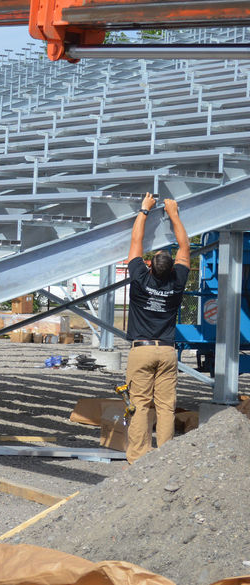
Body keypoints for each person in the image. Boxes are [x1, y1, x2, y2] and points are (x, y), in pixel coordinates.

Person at [124, 192, 190, 463]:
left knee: (139, 404)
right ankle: (164, 458)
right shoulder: (177, 282)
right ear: (172, 268)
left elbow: (136, 241)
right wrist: (174, 213)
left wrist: (144, 210)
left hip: (141, 349)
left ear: (149, 266)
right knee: (165, 406)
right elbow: (185, 247)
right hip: (166, 351)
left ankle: (138, 457)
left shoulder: (140, 279)